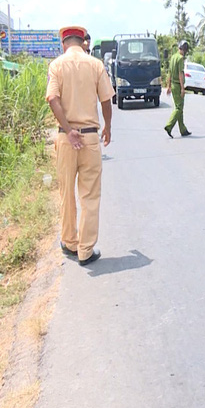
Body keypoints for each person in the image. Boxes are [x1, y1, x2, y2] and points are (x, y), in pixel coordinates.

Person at [46, 26, 115, 266]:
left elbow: (52, 98)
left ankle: (70, 243)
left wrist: (67, 129)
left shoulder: (56, 65)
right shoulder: (95, 65)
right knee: (90, 195)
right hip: (91, 138)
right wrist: (107, 126)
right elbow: (107, 99)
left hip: (67, 140)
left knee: (67, 193)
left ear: (64, 44)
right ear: (82, 42)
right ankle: (86, 250)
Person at [165, 40, 192, 138]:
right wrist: (182, 88)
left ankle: (183, 129)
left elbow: (169, 73)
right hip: (177, 85)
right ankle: (169, 126)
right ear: (185, 50)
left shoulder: (173, 57)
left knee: (179, 107)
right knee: (179, 108)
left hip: (173, 85)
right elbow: (180, 74)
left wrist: (168, 86)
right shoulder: (180, 59)